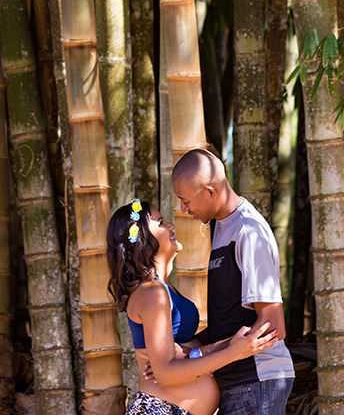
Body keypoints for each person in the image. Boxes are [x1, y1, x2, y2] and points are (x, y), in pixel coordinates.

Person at [107, 198, 279, 415]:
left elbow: (182, 352)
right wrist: (233, 352)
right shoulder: (152, 293)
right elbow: (166, 374)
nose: (170, 226)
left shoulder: (162, 290)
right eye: (161, 223)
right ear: (142, 239)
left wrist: (217, 346)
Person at [171, 149, 295, 415]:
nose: (183, 208)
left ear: (210, 192)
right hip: (237, 378)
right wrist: (186, 349)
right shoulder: (222, 227)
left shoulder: (247, 231)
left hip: (257, 378)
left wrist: (201, 355)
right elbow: (231, 318)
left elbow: (273, 327)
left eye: (185, 200)